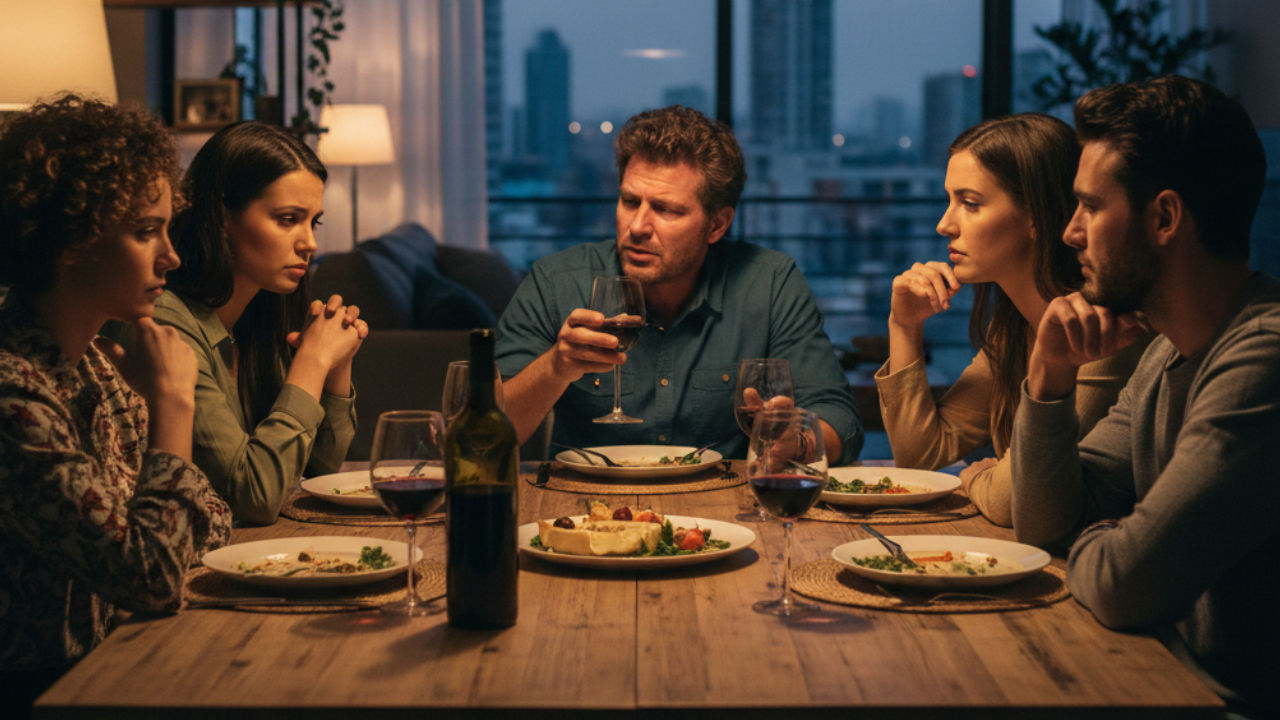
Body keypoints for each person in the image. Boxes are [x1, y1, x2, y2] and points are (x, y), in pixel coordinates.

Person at [1010, 76, 1278, 718]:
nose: (1070, 233)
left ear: (1164, 218)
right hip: (1155, 682)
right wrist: (1049, 376)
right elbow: (1045, 527)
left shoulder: (1263, 360)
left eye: (1090, 207)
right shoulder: (1164, 352)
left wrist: (1104, 534)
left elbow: (1126, 585)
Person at [0, 96, 231, 714]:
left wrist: (157, 524)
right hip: (42, 694)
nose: (171, 256)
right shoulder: (14, 396)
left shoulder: (97, 365)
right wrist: (173, 403)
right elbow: (152, 576)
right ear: (71, 240)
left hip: (113, 667)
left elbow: (213, 517)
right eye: (145, 231)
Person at [497, 106, 862, 464]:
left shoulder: (770, 284)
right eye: (629, 201)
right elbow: (489, 434)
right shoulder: (556, 282)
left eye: (666, 210)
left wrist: (799, 442)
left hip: (725, 500)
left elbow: (840, 418)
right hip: (587, 500)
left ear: (717, 225)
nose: (637, 226)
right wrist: (555, 367)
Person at [875, 114, 1151, 527]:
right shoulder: (1016, 328)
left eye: (970, 203)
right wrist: (904, 326)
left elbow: (1010, 500)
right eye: (949, 201)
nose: (944, 225)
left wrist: (976, 477)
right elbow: (919, 457)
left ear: (1038, 216)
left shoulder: (1097, 332)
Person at [159, 122, 366, 524]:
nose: (310, 243)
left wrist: (336, 367)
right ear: (222, 217)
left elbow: (318, 474)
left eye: (313, 222)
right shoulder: (169, 324)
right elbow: (255, 497)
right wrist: (312, 363)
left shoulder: (260, 315)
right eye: (288, 219)